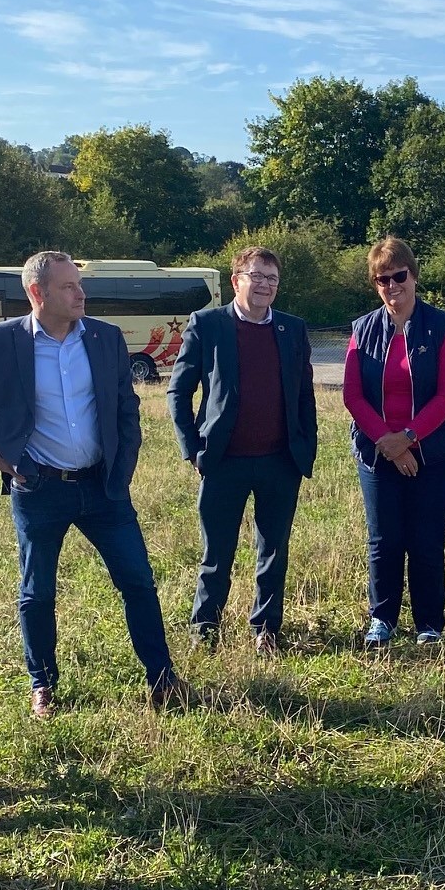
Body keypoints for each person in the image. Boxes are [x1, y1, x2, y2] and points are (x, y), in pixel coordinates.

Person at [0, 250, 190, 716]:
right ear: (37, 292)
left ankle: (163, 678)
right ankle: (43, 684)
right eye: (69, 286)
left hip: (103, 488)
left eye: (79, 285)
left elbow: (125, 408)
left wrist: (123, 467)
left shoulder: (106, 339)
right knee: (38, 591)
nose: (81, 294)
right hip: (39, 488)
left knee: (138, 582)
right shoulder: (2, 341)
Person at [167, 245, 318, 652]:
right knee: (216, 554)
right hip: (222, 462)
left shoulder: (291, 328)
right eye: (257, 276)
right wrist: (192, 449)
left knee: (273, 552)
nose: (265, 285)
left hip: (279, 462)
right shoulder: (207, 325)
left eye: (272, 278)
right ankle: (205, 629)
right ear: (237, 281)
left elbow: (304, 394)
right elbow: (178, 391)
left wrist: (306, 447)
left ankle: (266, 629)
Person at [342, 236, 445, 647]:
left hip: (435, 451)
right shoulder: (363, 330)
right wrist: (388, 442)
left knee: (427, 538)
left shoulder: (441, 327)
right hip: (378, 453)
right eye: (383, 279)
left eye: (399, 276)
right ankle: (382, 619)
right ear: (375, 284)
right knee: (384, 538)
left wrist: (409, 439)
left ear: (414, 276)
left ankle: (429, 623)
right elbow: (353, 395)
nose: (392, 285)